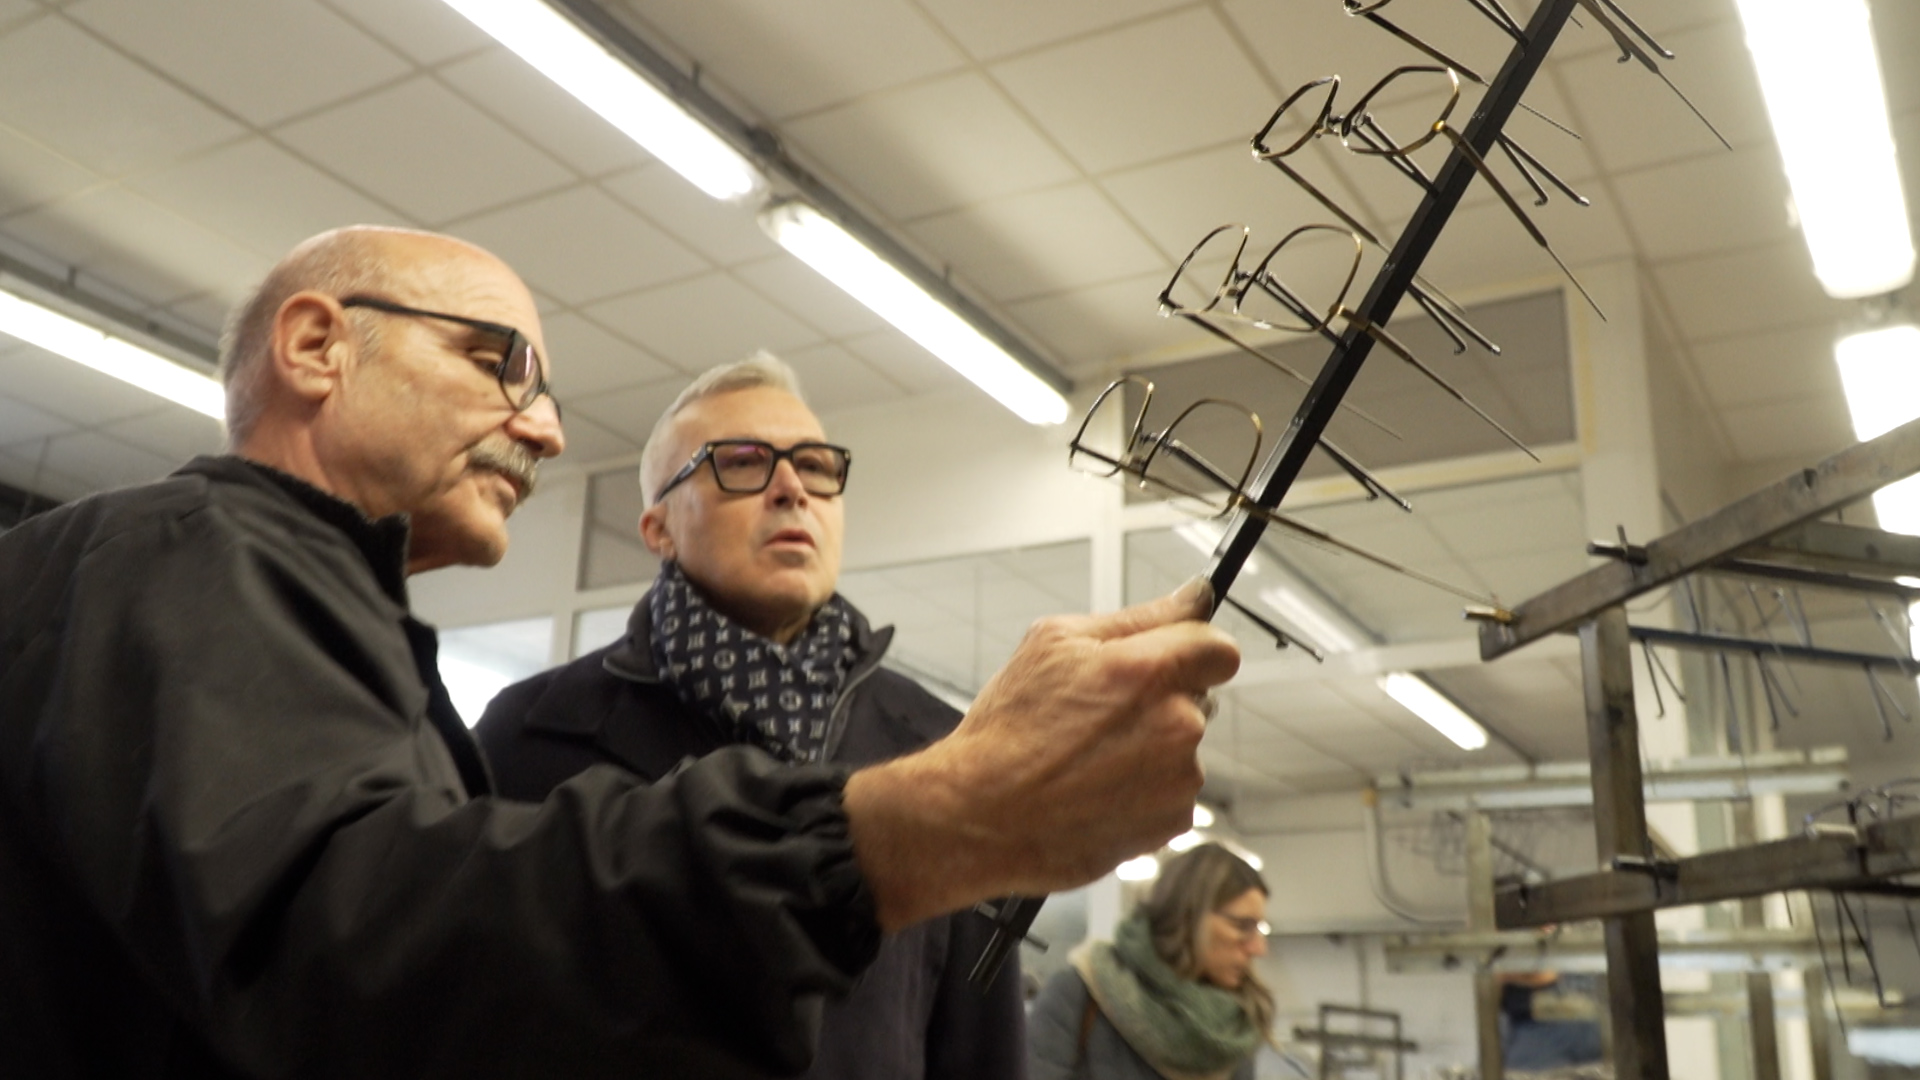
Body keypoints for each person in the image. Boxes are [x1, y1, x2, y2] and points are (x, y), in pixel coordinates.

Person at [0, 224, 1240, 1079]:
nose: (543, 428)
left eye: (819, 467)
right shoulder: (192, 561)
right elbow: (359, 954)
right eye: (499, 362)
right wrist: (903, 830)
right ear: (317, 345)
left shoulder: (322, 627)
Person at [474, 353, 1024, 1079]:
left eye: (815, 466)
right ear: (659, 528)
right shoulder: (529, 733)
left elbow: (980, 1051)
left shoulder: (941, 747)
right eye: (741, 463)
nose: (792, 488)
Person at [1027, 844, 1275, 1080]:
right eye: (1243, 926)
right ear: (1189, 917)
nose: (1258, 948)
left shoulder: (1233, 1025)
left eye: (1258, 929)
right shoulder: (1081, 994)